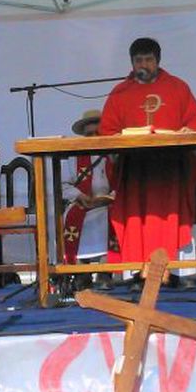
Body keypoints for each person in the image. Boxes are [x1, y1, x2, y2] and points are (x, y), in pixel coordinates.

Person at [99, 37, 196, 291]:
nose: (144, 64)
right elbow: (106, 129)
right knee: (137, 221)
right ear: (131, 63)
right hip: (135, 170)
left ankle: (170, 272)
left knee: (167, 219)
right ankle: (141, 273)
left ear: (158, 61)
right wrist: (117, 138)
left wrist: (188, 131)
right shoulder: (120, 92)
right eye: (139, 60)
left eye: (148, 59)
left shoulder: (177, 87)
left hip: (168, 170)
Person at [62, 109, 115, 291]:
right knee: (73, 218)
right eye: (88, 134)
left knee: (112, 219)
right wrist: (79, 196)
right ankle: (81, 272)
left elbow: (123, 182)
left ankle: (105, 271)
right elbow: (63, 184)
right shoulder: (73, 157)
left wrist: (110, 197)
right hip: (81, 204)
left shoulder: (114, 154)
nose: (92, 137)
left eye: (96, 133)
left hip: (107, 205)